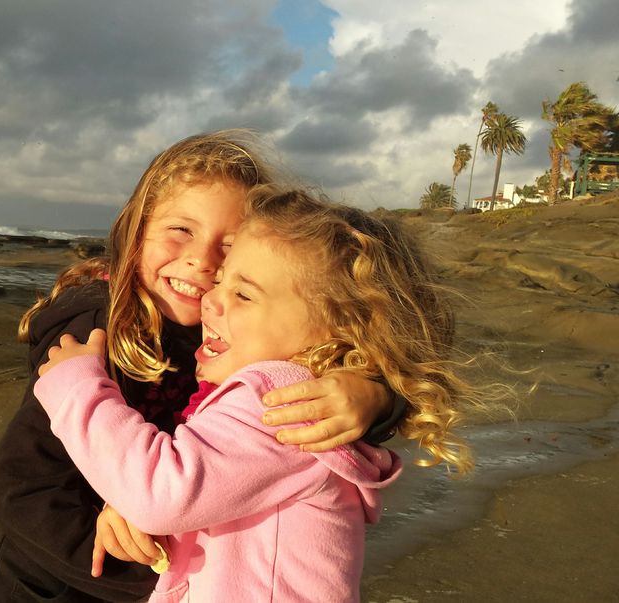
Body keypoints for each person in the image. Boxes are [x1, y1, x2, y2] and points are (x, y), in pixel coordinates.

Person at [0, 131, 400, 602]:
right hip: (46, 585)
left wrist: (374, 396)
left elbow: (315, 399)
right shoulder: (94, 332)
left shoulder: (237, 333)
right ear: (136, 228)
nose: (202, 260)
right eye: (181, 230)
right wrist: (153, 576)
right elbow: (20, 485)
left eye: (230, 247)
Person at [33, 186, 479, 602]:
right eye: (223, 279)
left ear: (341, 329)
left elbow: (164, 491)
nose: (212, 298)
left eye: (244, 294)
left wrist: (76, 386)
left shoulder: (281, 401)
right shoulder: (298, 395)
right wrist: (128, 500)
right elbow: (209, 490)